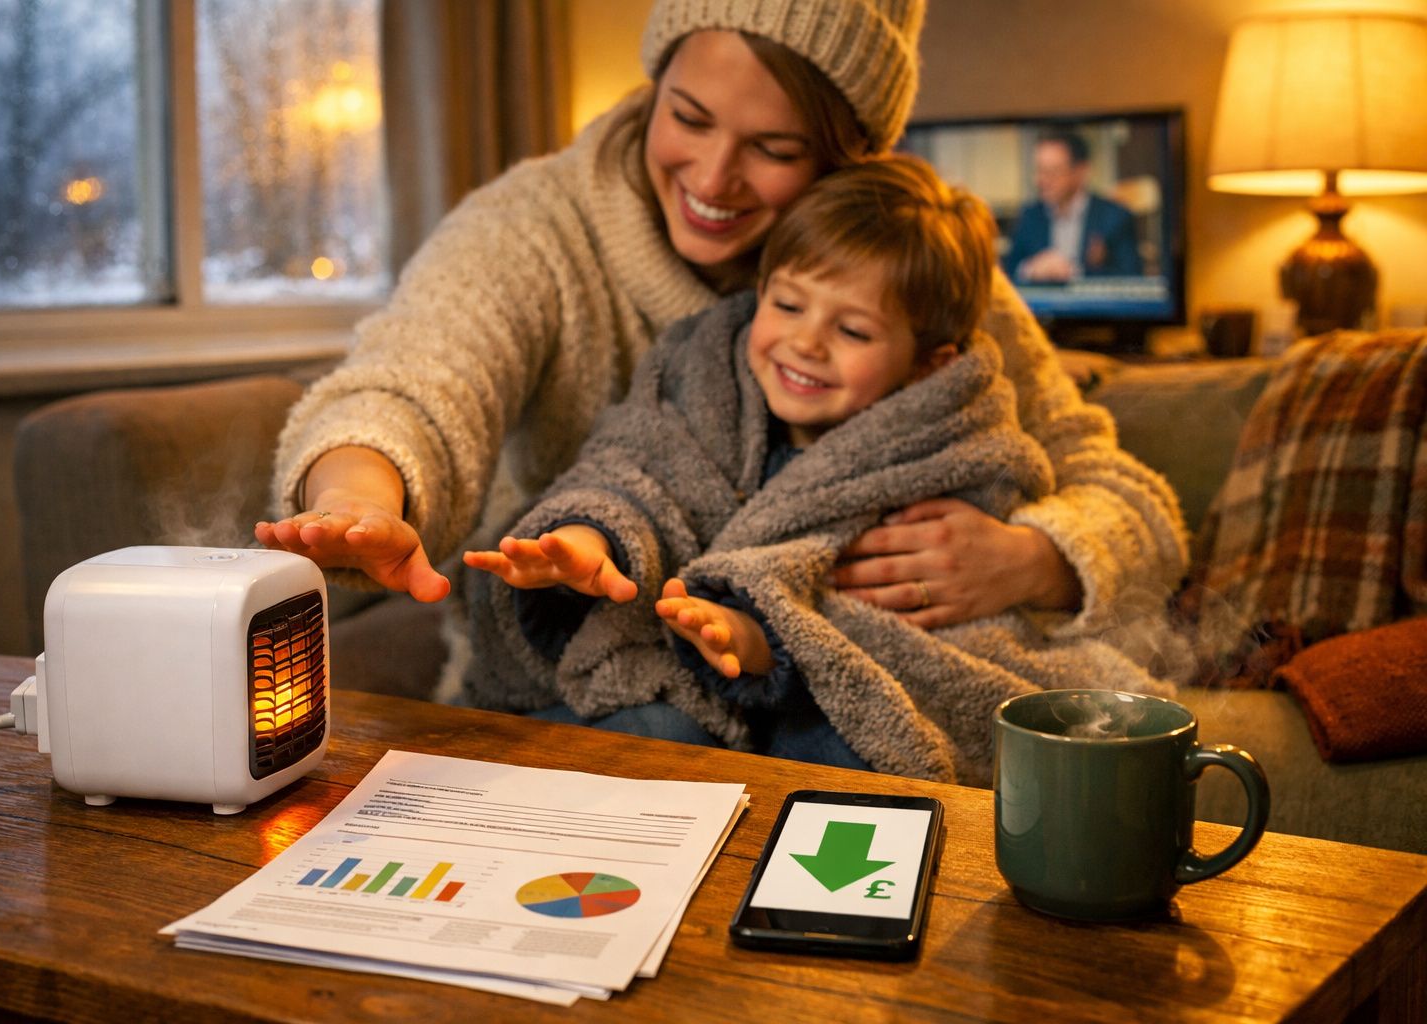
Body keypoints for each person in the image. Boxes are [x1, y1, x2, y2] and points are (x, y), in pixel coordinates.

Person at [254, 0, 1187, 718]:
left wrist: (1035, 560)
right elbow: (412, 387)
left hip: (841, 711)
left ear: (852, 156)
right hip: (585, 701)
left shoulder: (916, 265)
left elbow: (1120, 492)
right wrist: (356, 501)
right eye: (688, 117)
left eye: (772, 148)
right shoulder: (532, 229)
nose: (711, 179)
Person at [461, 156, 1175, 780]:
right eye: (789, 303)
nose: (805, 342)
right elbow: (633, 472)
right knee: (651, 735)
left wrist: (766, 638)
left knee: (847, 755)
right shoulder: (705, 377)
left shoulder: (954, 447)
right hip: (685, 684)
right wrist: (590, 540)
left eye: (854, 330)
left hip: (830, 704)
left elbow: (925, 637)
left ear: (931, 362)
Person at [1003, 130, 1143, 283]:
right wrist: (1030, 269)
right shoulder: (1029, 216)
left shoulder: (1114, 216)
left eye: (1052, 171)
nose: (1041, 180)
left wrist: (1073, 273)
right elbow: (1008, 271)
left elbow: (1132, 278)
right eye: (1039, 171)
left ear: (1081, 171)